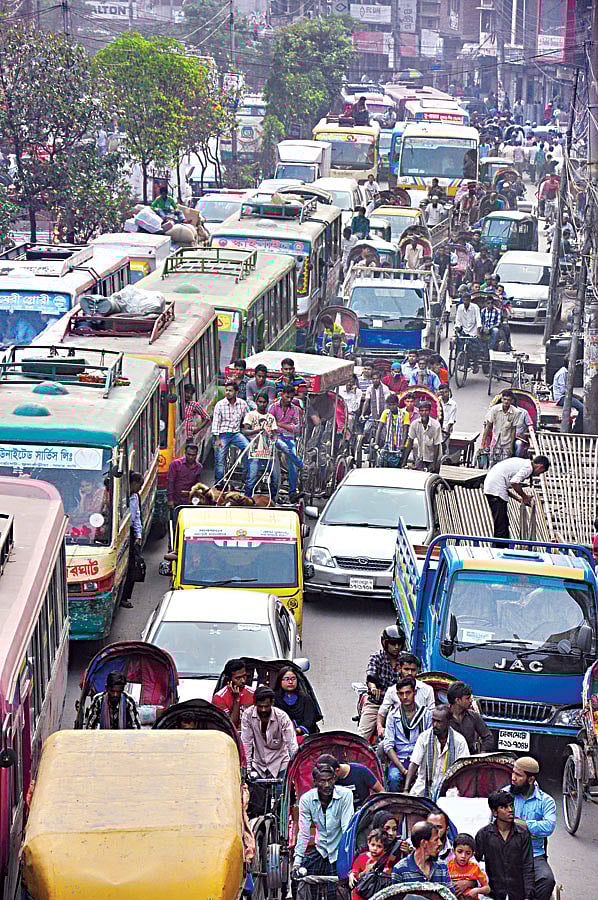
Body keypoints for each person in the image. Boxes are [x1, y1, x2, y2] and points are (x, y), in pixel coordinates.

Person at [503, 756, 556, 900]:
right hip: (507, 852)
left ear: (531, 779)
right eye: (513, 773)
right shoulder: (504, 794)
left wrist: (522, 824)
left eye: (518, 775)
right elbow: (495, 822)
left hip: (535, 855)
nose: (513, 778)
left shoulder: (546, 801)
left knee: (547, 880)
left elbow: (549, 826)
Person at [293, 763, 354, 881]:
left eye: (330, 780)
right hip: (320, 849)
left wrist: (348, 861)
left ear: (335, 779)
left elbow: (346, 829)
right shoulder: (306, 799)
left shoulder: (346, 795)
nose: (326, 785)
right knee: (299, 880)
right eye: (322, 781)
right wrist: (297, 862)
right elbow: (304, 833)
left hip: (339, 851)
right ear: (315, 782)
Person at [475, 791, 535, 900]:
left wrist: (528, 896)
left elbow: (528, 866)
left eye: (511, 805)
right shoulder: (483, 835)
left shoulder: (523, 834)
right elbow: (475, 862)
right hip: (493, 893)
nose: (510, 810)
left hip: (518, 893)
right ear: (494, 812)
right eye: (504, 807)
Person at [404, 705, 469, 799]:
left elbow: (463, 770)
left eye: (439, 722)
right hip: (424, 786)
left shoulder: (459, 741)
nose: (434, 725)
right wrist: (406, 790)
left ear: (448, 722)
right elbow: (414, 763)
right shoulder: (424, 737)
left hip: (450, 789)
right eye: (433, 720)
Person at [483, 455, 550, 540]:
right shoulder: (528, 468)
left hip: (493, 487)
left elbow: (506, 486)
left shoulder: (523, 463)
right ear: (541, 467)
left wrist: (518, 498)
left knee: (502, 523)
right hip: (496, 491)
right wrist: (525, 497)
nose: (537, 474)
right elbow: (514, 483)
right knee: (501, 526)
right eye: (540, 472)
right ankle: (500, 548)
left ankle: (501, 546)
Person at [383, 676, 432, 792]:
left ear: (414, 692)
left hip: (421, 760)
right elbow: (388, 746)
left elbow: (429, 742)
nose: (404, 697)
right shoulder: (392, 716)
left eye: (408, 693)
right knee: (394, 778)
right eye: (401, 694)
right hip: (400, 760)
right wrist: (403, 770)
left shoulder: (426, 715)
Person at [358, 625, 405, 740]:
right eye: (393, 644)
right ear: (385, 643)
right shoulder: (377, 658)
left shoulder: (405, 660)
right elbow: (371, 674)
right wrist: (373, 686)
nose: (396, 647)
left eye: (399, 644)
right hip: (377, 704)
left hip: (398, 707)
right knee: (361, 737)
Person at [240, 685, 298, 777]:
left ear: (272, 703)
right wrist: (246, 769)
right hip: (258, 765)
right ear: (255, 704)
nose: (263, 710)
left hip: (280, 763)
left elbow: (291, 743)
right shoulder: (247, 715)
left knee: (281, 790)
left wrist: (295, 768)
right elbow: (246, 743)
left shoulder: (282, 717)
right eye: (260, 706)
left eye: (266, 706)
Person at [376, 652, 436, 739]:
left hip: (422, 733)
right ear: (399, 669)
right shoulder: (392, 690)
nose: (410, 673)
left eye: (413, 670)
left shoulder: (427, 690)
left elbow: (432, 714)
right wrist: (380, 728)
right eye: (406, 669)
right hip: (398, 733)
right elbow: (382, 712)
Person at [211, 380, 251, 495]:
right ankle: (219, 483)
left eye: (230, 391)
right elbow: (216, 423)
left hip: (236, 433)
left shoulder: (242, 404)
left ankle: (245, 474)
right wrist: (217, 439)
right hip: (223, 434)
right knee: (220, 459)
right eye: (226, 390)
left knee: (248, 449)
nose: (227, 393)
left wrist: (248, 429)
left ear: (236, 392)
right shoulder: (220, 405)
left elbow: (247, 418)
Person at [391, 821, 454, 890]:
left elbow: (450, 896)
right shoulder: (400, 869)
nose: (440, 843)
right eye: (436, 840)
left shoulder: (442, 867)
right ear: (424, 843)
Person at [269, 385, 304, 503]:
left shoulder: (294, 409)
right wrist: (285, 426)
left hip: (289, 437)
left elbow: (296, 428)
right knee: (285, 448)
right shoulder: (273, 407)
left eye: (291, 397)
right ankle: (301, 464)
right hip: (275, 437)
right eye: (287, 397)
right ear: (281, 394)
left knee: (291, 461)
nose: (289, 400)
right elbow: (270, 425)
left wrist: (280, 424)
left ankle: (292, 492)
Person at [243, 391, 279, 499]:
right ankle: (247, 499)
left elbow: (274, 434)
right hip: (255, 452)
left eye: (264, 402)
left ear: (267, 403)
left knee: (275, 477)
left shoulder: (271, 417)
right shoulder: (250, 415)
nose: (262, 404)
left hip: (268, 453)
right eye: (260, 402)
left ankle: (272, 500)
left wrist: (272, 437)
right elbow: (245, 431)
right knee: (251, 478)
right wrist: (257, 430)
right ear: (256, 402)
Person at [317, 753, 383, 809]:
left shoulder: (361, 771)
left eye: (329, 778)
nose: (327, 783)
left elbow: (381, 791)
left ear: (337, 771)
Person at [446, 682, 494, 753]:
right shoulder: (443, 717)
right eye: (467, 698)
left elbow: (488, 737)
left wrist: (482, 754)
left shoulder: (474, 716)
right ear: (458, 700)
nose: (471, 701)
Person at [166, 442, 203, 530]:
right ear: (185, 453)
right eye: (189, 454)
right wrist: (170, 500)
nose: (191, 457)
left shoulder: (199, 467)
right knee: (175, 526)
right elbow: (170, 482)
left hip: (189, 501)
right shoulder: (175, 464)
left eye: (193, 455)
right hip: (176, 501)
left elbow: (197, 485)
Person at [120, 471, 143, 609]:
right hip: (122, 533)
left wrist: (138, 535)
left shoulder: (135, 497)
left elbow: (137, 517)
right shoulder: (120, 497)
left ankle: (126, 596)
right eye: (138, 485)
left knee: (132, 567)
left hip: (131, 535)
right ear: (131, 483)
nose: (140, 488)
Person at [274, 667, 320, 736]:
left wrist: (298, 730)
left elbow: (310, 720)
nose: (290, 682)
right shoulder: (274, 699)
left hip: (303, 736)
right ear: (280, 681)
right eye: (287, 679)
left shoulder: (305, 698)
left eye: (293, 679)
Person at [212, 658, 255, 729]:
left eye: (244, 676)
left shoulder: (253, 693)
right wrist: (236, 700)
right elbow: (230, 726)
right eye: (238, 678)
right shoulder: (219, 698)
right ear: (229, 679)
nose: (243, 681)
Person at [404, 399, 443, 473]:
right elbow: (410, 442)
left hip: (433, 457)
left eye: (426, 411)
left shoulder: (436, 425)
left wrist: (434, 464)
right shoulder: (415, 424)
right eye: (421, 411)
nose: (424, 413)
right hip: (421, 456)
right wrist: (404, 461)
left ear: (429, 411)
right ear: (419, 412)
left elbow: (437, 445)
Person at [480, 389, 519, 465]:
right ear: (501, 399)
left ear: (511, 401)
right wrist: (483, 443)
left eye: (508, 400)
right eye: (504, 399)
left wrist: (511, 446)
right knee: (492, 462)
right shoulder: (494, 409)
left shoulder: (516, 412)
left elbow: (513, 429)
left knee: (504, 464)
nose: (506, 402)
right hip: (495, 440)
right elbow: (488, 426)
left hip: (507, 441)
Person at [350, 829, 390, 898]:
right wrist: (366, 871)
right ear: (368, 843)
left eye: (379, 846)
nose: (375, 848)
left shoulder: (387, 860)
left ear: (384, 848)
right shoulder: (361, 858)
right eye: (373, 844)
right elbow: (355, 877)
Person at [448, 833, 490, 898]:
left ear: (472, 854)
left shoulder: (475, 868)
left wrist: (476, 890)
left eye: (468, 853)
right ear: (453, 851)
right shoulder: (447, 867)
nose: (463, 856)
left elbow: (487, 889)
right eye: (460, 851)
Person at [552, 356, 584, 433]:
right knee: (582, 408)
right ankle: (577, 430)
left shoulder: (566, 372)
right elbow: (564, 391)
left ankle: (579, 425)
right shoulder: (563, 373)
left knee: (584, 403)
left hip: (564, 396)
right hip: (561, 398)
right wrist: (576, 396)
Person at [361, 369, 391, 445]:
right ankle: (368, 444)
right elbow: (367, 402)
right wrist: (362, 414)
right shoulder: (369, 389)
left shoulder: (385, 388)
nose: (375, 380)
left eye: (377, 378)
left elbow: (387, 403)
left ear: (380, 379)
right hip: (373, 415)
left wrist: (385, 415)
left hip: (383, 415)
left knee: (385, 433)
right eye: (373, 379)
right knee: (366, 429)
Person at [454, 293, 482, 370]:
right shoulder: (460, 307)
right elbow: (458, 320)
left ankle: (475, 363)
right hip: (464, 330)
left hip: (473, 330)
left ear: (470, 300)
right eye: (464, 300)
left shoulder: (475, 307)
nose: (465, 302)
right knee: (459, 343)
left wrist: (478, 332)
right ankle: (460, 359)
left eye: (467, 300)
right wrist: (457, 328)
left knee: (474, 348)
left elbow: (478, 320)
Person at [376, 393, 403, 467]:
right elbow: (380, 428)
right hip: (388, 442)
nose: (392, 407)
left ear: (397, 404)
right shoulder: (386, 413)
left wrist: (403, 444)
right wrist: (376, 443)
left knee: (402, 463)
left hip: (401, 443)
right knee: (381, 460)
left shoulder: (404, 414)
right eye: (390, 405)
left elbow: (406, 430)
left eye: (394, 404)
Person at [438, 384, 457, 451]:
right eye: (442, 393)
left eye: (446, 392)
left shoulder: (453, 404)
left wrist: (446, 430)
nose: (445, 394)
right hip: (437, 427)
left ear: (449, 392)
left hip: (446, 429)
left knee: (445, 447)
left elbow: (451, 419)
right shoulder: (437, 401)